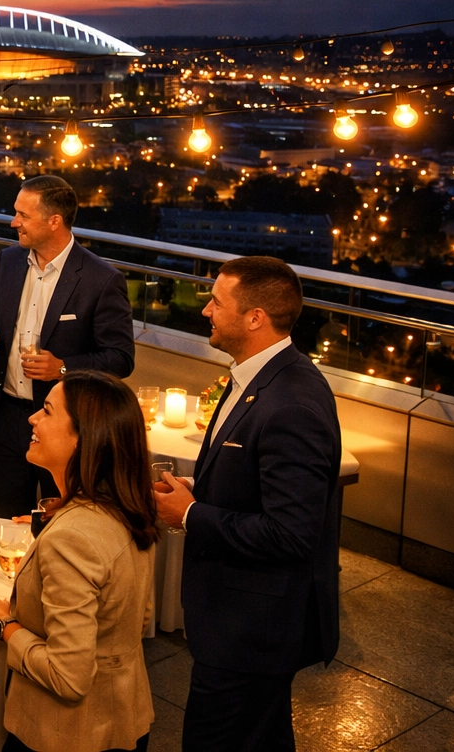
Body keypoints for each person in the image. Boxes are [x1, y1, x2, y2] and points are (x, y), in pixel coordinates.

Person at [151, 257, 340, 752]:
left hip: (252, 630)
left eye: (217, 301)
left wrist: (190, 514)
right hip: (238, 621)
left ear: (255, 317)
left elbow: (293, 534)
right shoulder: (254, 379)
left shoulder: (293, 403)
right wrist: (198, 483)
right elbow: (255, 478)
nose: (206, 310)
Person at [0, 371, 158, 752]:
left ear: (85, 438)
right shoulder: (129, 506)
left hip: (66, 734)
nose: (32, 418)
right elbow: (139, 616)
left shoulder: (72, 538)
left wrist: (3, 621)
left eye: (47, 411)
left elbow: (68, 677)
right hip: (123, 716)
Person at [0, 175, 135, 517]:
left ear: (54, 221)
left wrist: (62, 368)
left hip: (63, 427)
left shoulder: (101, 280)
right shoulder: (10, 261)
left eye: (23, 215)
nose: (14, 222)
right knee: (2, 520)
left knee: (55, 520)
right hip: (5, 418)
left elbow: (120, 358)